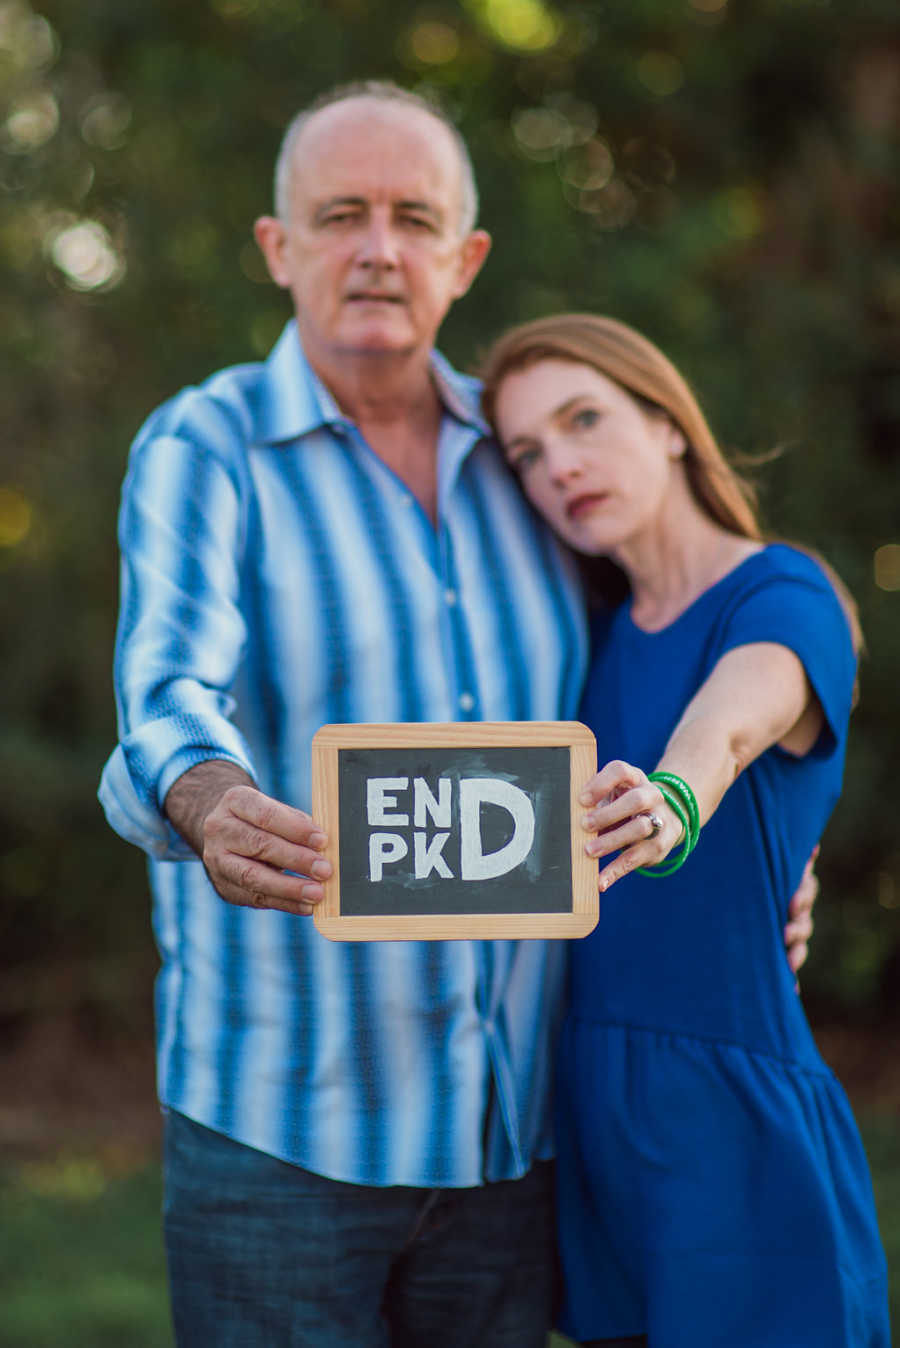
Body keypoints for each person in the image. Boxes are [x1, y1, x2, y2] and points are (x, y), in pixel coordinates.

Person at [98, 82, 816, 1346]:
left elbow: (674, 670)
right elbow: (164, 695)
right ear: (278, 247)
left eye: (414, 216)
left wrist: (756, 857)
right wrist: (204, 800)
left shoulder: (540, 458)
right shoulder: (201, 447)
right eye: (339, 215)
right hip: (283, 1128)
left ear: (464, 256)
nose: (378, 246)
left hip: (514, 1133)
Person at [481, 313, 890, 1347]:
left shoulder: (782, 589)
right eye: (529, 452)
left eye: (584, 419)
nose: (560, 465)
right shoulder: (590, 629)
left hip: (735, 1121)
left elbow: (741, 713)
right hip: (596, 1117)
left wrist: (673, 795)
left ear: (666, 422)